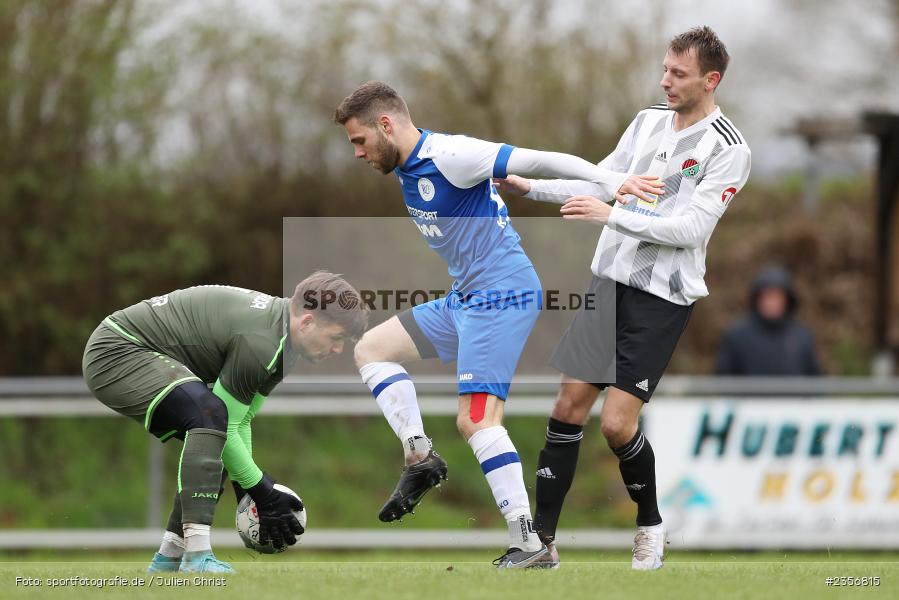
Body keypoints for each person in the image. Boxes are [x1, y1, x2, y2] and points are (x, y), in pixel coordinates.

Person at [333, 81, 662, 568]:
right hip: (466, 298)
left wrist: (609, 183)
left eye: (359, 140)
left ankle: (530, 544)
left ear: (386, 124)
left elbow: (544, 158)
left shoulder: (452, 155)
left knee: (476, 420)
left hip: (502, 294)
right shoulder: (407, 166)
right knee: (370, 350)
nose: (357, 153)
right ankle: (420, 456)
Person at [495, 26, 751, 569]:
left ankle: (651, 526)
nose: (666, 81)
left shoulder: (729, 149)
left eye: (678, 74)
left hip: (662, 298)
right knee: (567, 406)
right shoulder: (647, 122)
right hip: (608, 282)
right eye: (664, 69)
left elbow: (690, 229)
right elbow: (600, 180)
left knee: (616, 425)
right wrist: (529, 187)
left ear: (712, 79)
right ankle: (541, 543)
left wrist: (614, 215)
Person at [82, 273, 368, 573]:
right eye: (336, 338)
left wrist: (246, 486)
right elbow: (224, 424)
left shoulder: (286, 344)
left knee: (214, 440)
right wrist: (262, 490)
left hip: (131, 349)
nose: (338, 350)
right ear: (307, 322)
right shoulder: (262, 343)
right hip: (116, 351)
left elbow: (239, 421)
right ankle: (196, 556)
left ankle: (169, 557)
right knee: (209, 419)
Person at [715, 266, 822, 375]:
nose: (772, 303)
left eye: (777, 297)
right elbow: (724, 378)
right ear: (757, 299)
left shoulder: (801, 337)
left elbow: (814, 379)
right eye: (768, 296)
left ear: (787, 300)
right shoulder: (737, 336)